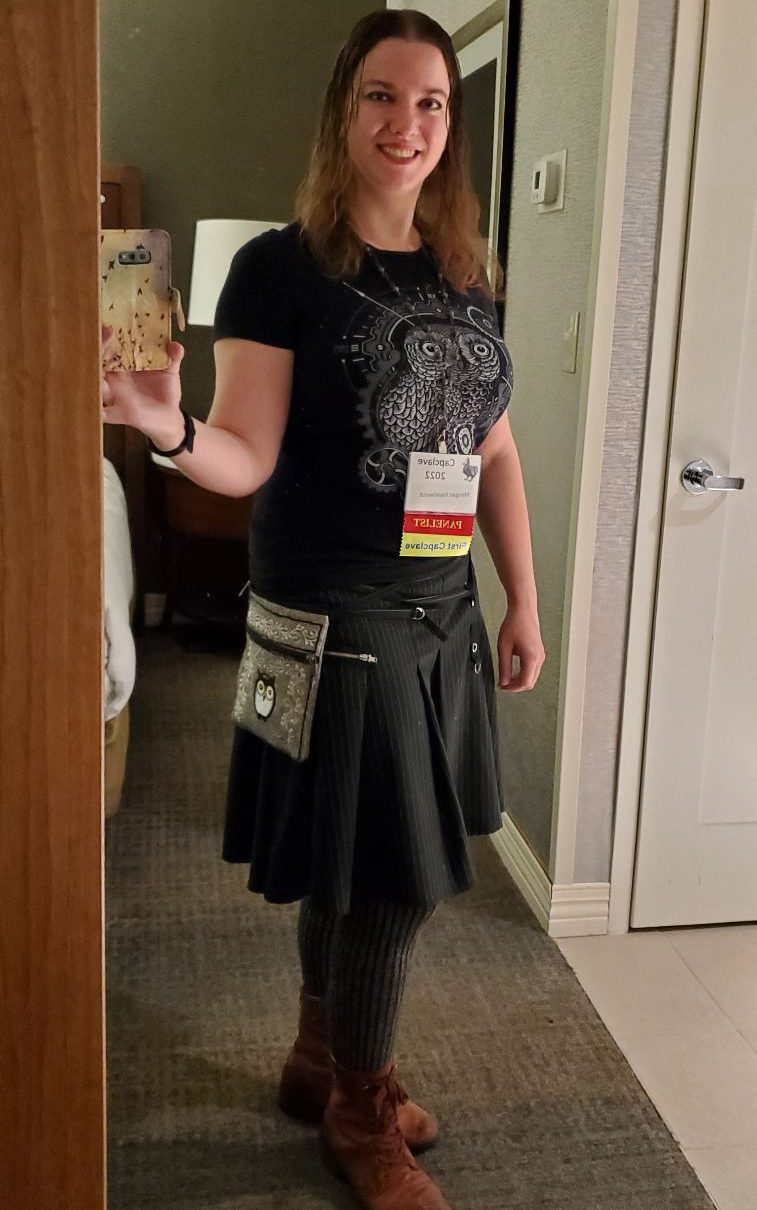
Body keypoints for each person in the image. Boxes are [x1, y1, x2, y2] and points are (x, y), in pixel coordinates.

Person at [102, 9, 545, 1209]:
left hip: (441, 607)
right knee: (392, 880)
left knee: (361, 869)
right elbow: (245, 451)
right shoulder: (281, 267)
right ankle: (360, 1106)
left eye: (432, 103)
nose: (408, 124)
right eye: (383, 98)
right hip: (338, 609)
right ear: (343, 110)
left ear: (452, 127)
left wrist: (524, 600)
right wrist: (166, 429)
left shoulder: (467, 273)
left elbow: (494, 455)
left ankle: (317, 1059)